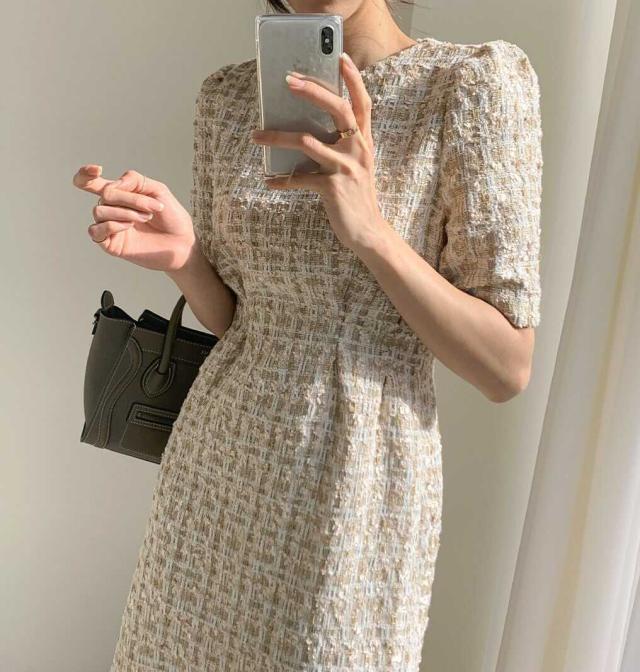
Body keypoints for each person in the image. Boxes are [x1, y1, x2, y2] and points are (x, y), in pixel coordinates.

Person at [73, 0, 543, 669]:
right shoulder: (228, 98)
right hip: (213, 475)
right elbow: (248, 324)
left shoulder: (468, 87)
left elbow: (507, 367)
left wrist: (371, 231)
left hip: (353, 481)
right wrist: (185, 257)